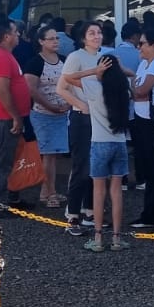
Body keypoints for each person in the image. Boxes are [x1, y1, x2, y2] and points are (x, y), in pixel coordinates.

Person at [81, 55, 133, 252]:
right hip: (119, 143)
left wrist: (96, 71)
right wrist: (121, 68)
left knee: (98, 190)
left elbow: (68, 77)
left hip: (99, 143)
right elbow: (133, 75)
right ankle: (117, 239)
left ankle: (98, 238)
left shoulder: (93, 87)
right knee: (117, 191)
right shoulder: (124, 88)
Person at [59, 20, 104, 234]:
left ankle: (89, 210)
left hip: (99, 118)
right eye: (91, 33)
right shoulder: (75, 57)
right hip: (81, 118)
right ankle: (73, 214)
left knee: (94, 165)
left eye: (99, 32)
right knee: (80, 167)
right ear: (83, 37)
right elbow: (62, 87)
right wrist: (81, 105)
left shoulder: (102, 58)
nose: (96, 36)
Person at [0, 19, 33, 211]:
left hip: (9, 117)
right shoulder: (1, 57)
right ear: (6, 36)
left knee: (12, 161)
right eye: (16, 32)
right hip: (4, 119)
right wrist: (15, 116)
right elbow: (2, 90)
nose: (19, 35)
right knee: (4, 162)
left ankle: (12, 198)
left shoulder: (5, 55)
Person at [23, 25, 69, 207]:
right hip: (42, 114)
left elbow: (70, 84)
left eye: (56, 38)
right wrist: (50, 105)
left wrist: (67, 103)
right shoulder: (35, 62)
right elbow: (31, 89)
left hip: (61, 113)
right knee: (47, 154)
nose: (55, 41)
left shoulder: (64, 60)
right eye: (50, 39)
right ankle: (49, 193)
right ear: (41, 41)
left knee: (54, 154)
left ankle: (48, 191)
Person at [128, 34, 154, 229]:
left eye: (143, 43)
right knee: (148, 169)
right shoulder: (143, 64)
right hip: (141, 120)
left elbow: (140, 90)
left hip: (153, 123)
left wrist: (136, 92)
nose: (139, 47)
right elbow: (136, 88)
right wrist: (135, 91)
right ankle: (148, 214)